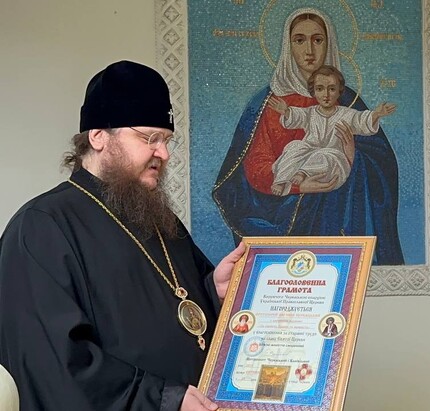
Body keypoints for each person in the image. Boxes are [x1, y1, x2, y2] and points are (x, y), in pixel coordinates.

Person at [0, 60, 247, 411]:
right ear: (99, 135)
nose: (163, 153)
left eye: (167, 140)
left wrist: (215, 291)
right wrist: (166, 399)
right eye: (151, 138)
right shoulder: (42, 226)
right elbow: (52, 365)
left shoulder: (161, 220)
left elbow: (180, 315)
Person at [213, 7, 404, 265]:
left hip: (337, 215)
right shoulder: (268, 103)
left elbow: (382, 165)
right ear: (287, 45)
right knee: (295, 150)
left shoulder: (348, 102)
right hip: (282, 214)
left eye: (317, 39)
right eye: (299, 40)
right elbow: (253, 169)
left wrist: (352, 158)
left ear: (330, 43)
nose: (309, 51)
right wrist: (299, 186)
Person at [267, 65, 396, 196]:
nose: (326, 95)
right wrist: (286, 111)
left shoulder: (346, 114)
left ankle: (303, 173)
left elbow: (361, 120)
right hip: (310, 153)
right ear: (314, 92)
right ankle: (281, 180)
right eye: (320, 89)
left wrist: (376, 114)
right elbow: (297, 116)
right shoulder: (311, 113)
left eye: (332, 89)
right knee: (294, 146)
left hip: (334, 160)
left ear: (339, 91)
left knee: (324, 155)